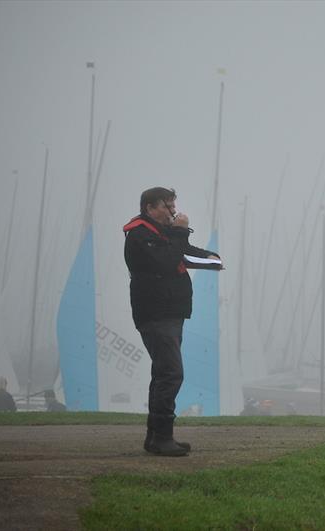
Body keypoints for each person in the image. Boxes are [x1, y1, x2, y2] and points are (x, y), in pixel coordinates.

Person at [123, 187, 222, 457]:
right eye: (167, 206)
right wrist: (180, 230)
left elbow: (182, 253)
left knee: (162, 374)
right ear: (149, 208)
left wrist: (211, 258)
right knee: (171, 374)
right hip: (155, 314)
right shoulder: (140, 235)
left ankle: (155, 436)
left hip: (170, 314)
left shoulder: (161, 235)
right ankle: (162, 436)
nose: (172, 212)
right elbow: (167, 262)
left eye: (173, 206)